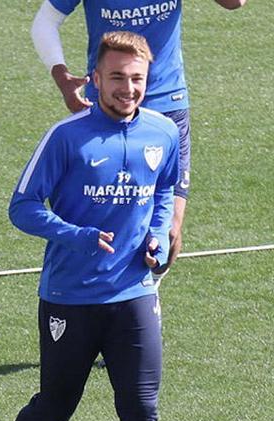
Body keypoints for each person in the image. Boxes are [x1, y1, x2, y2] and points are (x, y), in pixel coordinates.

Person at [0, 32, 179, 421]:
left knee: (141, 408)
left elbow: (165, 189)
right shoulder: (66, 137)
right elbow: (23, 206)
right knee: (56, 406)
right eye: (116, 78)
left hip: (134, 293)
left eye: (136, 79)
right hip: (70, 298)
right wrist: (77, 237)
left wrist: (156, 234)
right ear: (94, 79)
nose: (127, 89)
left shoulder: (163, 131)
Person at [30, 0, 247, 287]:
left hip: (168, 108)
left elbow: (235, 3)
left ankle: (147, 295)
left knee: (167, 231)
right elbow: (45, 22)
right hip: (110, 108)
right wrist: (61, 77)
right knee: (112, 221)